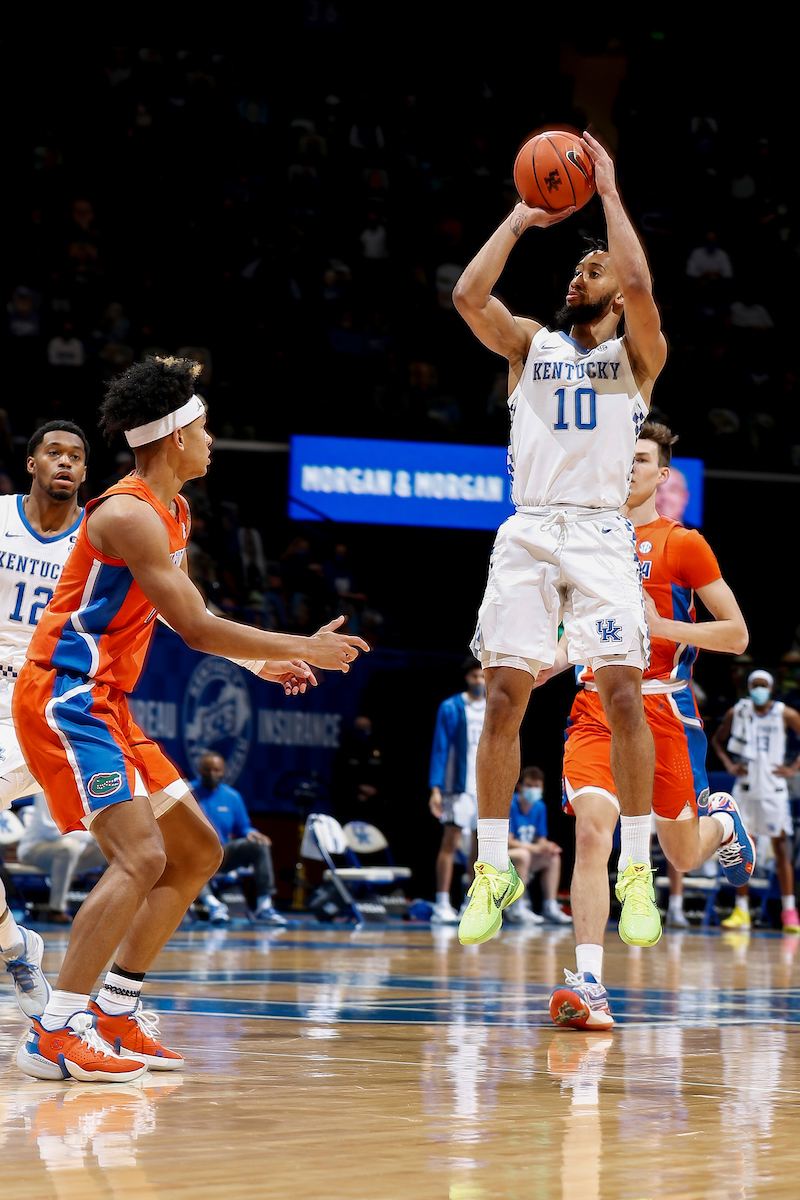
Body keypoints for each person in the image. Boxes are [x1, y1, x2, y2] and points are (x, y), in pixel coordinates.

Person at [12, 355, 369, 1083]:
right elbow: (200, 631)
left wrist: (260, 664)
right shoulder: (125, 513)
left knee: (198, 850)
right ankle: (55, 1031)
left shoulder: (172, 511)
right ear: (176, 437)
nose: (212, 440)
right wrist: (302, 646)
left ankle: (117, 1008)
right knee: (140, 857)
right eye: (204, 428)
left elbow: (188, 615)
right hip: (65, 696)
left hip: (106, 701)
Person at [453, 131, 667, 948]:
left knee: (622, 695)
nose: (580, 275)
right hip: (531, 526)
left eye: (593, 270)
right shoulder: (531, 344)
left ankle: (636, 870)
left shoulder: (635, 358)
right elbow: (469, 296)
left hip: (602, 531)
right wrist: (521, 217)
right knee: (503, 696)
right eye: (576, 268)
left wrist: (606, 192)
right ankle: (491, 867)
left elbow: (640, 282)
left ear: (615, 297)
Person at [548, 420, 752, 1029]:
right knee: (592, 834)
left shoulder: (682, 544)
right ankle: (589, 984)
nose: (628, 466)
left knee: (682, 856)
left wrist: (663, 627)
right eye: (622, 456)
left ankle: (723, 821)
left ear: (661, 474)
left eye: (640, 458)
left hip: (664, 712)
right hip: (595, 709)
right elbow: (568, 636)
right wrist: (533, 670)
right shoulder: (581, 542)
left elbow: (736, 635)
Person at [0, 421, 88, 1018]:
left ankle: (16, 950)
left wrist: (260, 658)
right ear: (32, 463)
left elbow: (178, 607)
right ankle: (14, 944)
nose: (66, 462)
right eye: (54, 452)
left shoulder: (97, 535)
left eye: (76, 457)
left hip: (40, 702)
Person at [711, 670, 800, 932]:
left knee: (780, 847)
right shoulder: (737, 712)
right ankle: (741, 910)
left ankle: (789, 910)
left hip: (773, 788)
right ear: (748, 687)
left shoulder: (785, 713)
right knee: (739, 847)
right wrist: (729, 765)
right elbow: (717, 740)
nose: (759, 689)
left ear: (771, 688)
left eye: (763, 685)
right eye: (755, 684)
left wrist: (793, 768)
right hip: (746, 787)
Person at [191, 750, 286, 926]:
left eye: (216, 770)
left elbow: (243, 827)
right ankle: (213, 905)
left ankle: (264, 906)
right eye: (207, 770)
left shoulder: (232, 796)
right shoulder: (187, 793)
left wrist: (251, 832)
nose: (212, 774)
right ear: (199, 769)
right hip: (193, 855)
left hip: (223, 853)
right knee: (190, 854)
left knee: (259, 845)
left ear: (223, 771)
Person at [428, 658, 486, 925]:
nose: (479, 681)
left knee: (478, 848)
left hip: (483, 787)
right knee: (450, 843)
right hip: (457, 787)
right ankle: (441, 902)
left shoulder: (493, 706)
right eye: (475, 676)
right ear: (467, 678)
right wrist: (436, 788)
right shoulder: (451, 707)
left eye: (483, 677)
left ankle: (469, 902)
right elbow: (440, 749)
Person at [16, 793, 107, 923]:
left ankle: (105, 905)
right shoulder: (45, 790)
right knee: (68, 847)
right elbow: (52, 831)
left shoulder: (83, 788)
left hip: (73, 848)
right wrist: (94, 835)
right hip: (34, 849)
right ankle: (56, 910)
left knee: (108, 849)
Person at [506, 765, 571, 926]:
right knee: (523, 855)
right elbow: (508, 841)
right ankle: (517, 906)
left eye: (536, 786)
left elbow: (540, 839)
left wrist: (548, 846)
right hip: (506, 854)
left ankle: (550, 906)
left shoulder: (539, 807)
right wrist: (536, 848)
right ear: (519, 786)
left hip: (526, 854)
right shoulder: (510, 804)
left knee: (552, 857)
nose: (533, 790)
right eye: (529, 785)